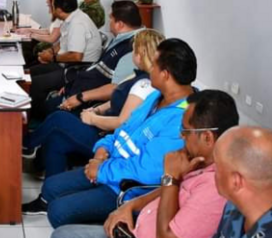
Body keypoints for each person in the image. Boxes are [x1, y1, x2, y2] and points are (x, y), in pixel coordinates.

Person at [22, 38, 197, 229]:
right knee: (51, 187)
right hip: (110, 165)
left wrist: (102, 171)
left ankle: (111, 223)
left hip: (126, 188)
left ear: (165, 75)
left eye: (154, 65)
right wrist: (100, 152)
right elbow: (123, 131)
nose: (150, 69)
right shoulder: (156, 96)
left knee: (58, 211)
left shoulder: (183, 118)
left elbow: (146, 173)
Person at [52, 89, 240, 238]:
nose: (181, 135)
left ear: (207, 137)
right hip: (135, 227)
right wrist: (131, 206)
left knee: (61, 227)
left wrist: (170, 177)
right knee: (62, 233)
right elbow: (166, 190)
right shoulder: (198, 162)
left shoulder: (215, 189)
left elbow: (167, 235)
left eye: (186, 130)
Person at [23, 29, 165, 178]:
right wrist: (95, 111)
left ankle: (28, 145)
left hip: (109, 139)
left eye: (134, 49)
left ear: (141, 54)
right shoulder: (138, 76)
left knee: (59, 118)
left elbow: (122, 122)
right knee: (56, 140)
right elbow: (116, 101)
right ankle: (48, 196)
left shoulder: (144, 85)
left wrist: (93, 119)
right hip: (102, 126)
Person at [29, 0, 143, 122]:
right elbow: (97, 67)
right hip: (78, 85)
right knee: (39, 105)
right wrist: (72, 82)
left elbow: (116, 88)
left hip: (85, 100)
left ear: (119, 24)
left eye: (111, 19)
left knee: (41, 110)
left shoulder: (132, 48)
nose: (109, 23)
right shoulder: (120, 39)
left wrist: (80, 97)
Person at [17, 0, 66, 65]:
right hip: (53, 48)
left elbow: (52, 38)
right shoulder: (57, 15)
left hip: (53, 50)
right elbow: (48, 30)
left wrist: (31, 34)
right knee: (26, 43)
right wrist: (28, 30)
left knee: (27, 44)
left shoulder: (61, 16)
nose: (46, 1)